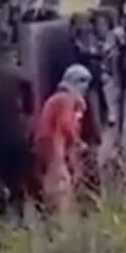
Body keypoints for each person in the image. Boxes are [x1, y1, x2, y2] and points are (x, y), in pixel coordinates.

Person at [0, 42, 36, 210]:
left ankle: (0, 212)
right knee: (17, 179)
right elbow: (30, 108)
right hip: (17, 132)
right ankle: (18, 210)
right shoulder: (23, 76)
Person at [35, 64, 92, 213]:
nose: (86, 88)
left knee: (54, 184)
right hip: (54, 146)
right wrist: (78, 142)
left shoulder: (58, 98)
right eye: (83, 82)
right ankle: (61, 220)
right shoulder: (67, 99)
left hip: (46, 146)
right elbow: (65, 124)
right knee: (61, 188)